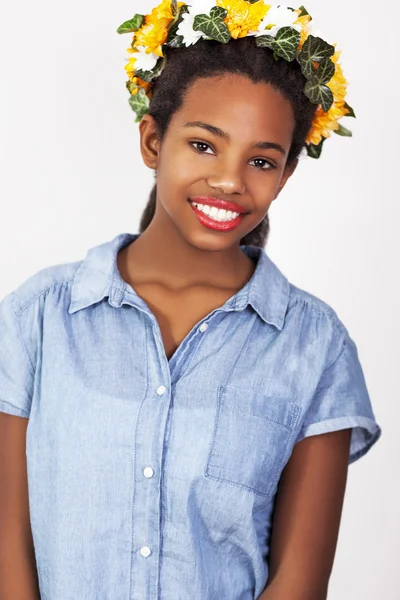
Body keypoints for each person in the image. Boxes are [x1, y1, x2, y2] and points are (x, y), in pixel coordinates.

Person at [0, 2, 382, 599]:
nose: (231, 180)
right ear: (153, 140)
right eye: (204, 146)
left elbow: (298, 583)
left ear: (284, 178)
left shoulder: (315, 346)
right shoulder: (37, 319)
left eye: (261, 161)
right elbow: (7, 550)